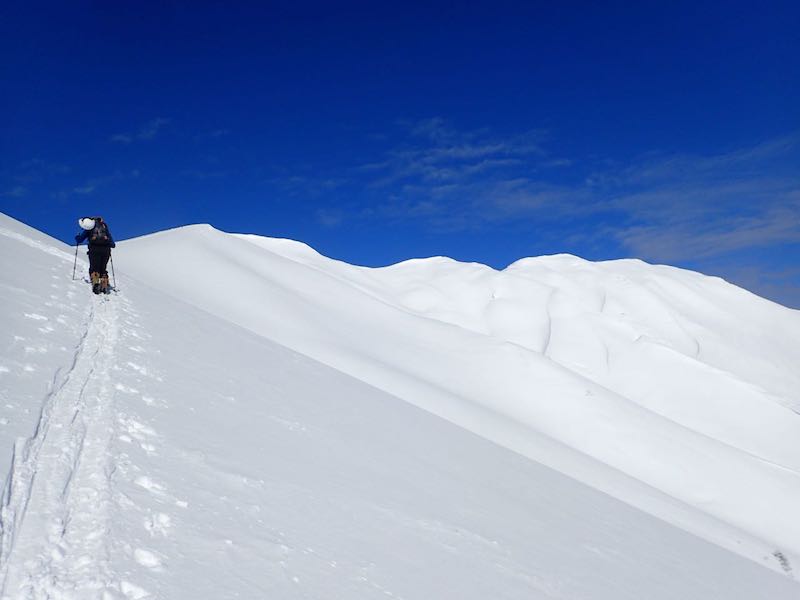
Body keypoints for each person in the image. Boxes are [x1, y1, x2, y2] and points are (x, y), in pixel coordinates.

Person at [75, 216, 116, 294]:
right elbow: (112, 242)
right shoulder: (104, 226)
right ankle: (104, 283)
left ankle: (96, 283)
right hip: (106, 250)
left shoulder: (90, 225)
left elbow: (80, 239)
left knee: (94, 268)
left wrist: (77, 237)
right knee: (103, 268)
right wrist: (111, 244)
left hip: (94, 250)